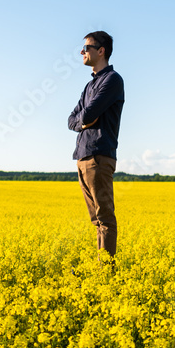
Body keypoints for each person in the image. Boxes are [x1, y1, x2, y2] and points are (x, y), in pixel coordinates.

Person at [68, 31, 124, 272]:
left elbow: (89, 114)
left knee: (105, 219)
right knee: (96, 220)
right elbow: (72, 121)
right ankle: (101, 269)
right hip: (83, 155)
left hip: (99, 155)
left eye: (87, 47)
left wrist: (85, 119)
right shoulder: (89, 85)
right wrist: (84, 121)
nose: (82, 52)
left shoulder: (112, 80)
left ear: (101, 50)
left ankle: (106, 272)